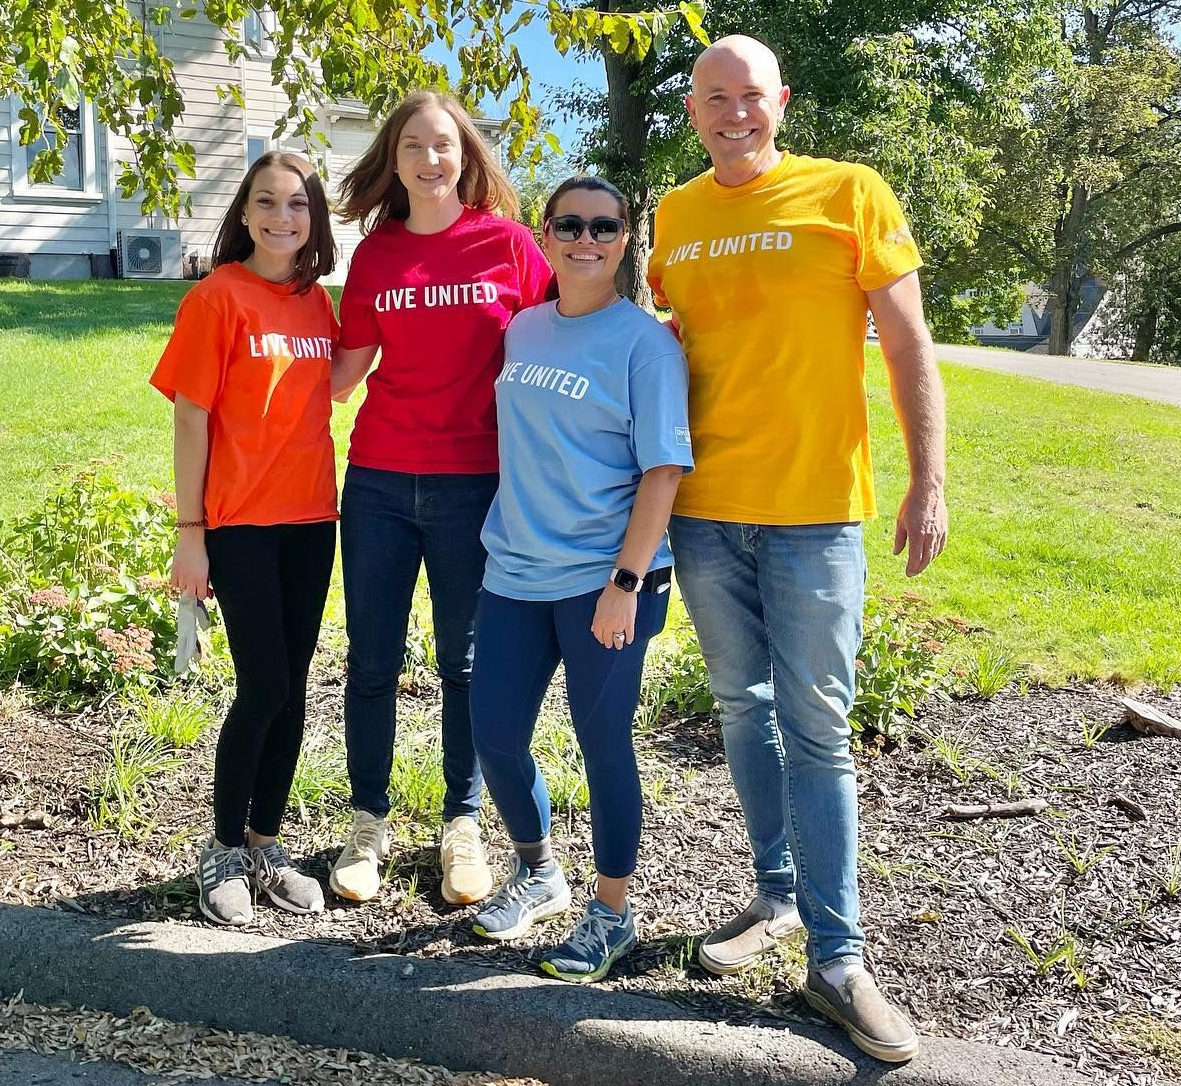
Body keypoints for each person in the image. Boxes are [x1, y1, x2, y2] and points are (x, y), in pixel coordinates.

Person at [647, 36, 948, 1062]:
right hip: (703, 511)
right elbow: (661, 354)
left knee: (817, 731)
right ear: (693, 111)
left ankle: (838, 960)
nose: (736, 113)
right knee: (742, 707)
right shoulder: (674, 217)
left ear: (781, 100)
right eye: (715, 98)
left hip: (817, 512)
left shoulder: (849, 192)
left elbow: (908, 343)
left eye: (752, 97)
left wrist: (929, 482)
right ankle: (774, 896)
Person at [328, 91, 553, 906]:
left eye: (445, 146)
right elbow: (346, 371)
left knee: (465, 663)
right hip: (381, 479)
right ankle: (368, 823)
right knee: (372, 662)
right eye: (414, 146)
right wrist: (249, 375)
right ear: (393, 159)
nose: (430, 160)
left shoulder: (509, 245)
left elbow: (552, 342)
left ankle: (462, 824)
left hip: (474, 484)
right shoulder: (378, 255)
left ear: (467, 157)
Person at [469, 176, 693, 983]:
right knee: (492, 731)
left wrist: (625, 583)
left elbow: (663, 473)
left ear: (626, 240)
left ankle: (612, 913)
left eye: (604, 226)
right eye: (569, 223)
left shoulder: (645, 345)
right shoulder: (524, 330)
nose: (586, 238)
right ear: (547, 232)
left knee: (604, 743)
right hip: (516, 570)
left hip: (608, 579)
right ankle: (539, 872)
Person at [151, 151, 340, 926]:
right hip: (238, 522)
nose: (281, 217)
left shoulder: (316, 305)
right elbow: (190, 417)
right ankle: (223, 850)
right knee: (262, 685)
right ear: (244, 212)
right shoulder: (216, 298)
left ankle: (267, 844)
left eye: (297, 205)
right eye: (267, 202)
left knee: (293, 689)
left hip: (310, 519)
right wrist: (189, 532)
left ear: (314, 220)